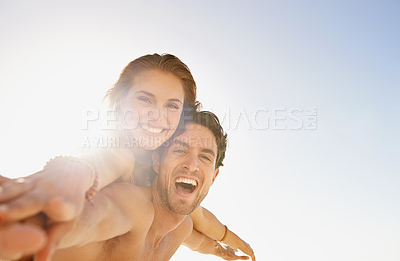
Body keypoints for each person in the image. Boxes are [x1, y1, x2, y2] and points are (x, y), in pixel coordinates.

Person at [0, 54, 254, 260]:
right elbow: (95, 166)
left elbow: (201, 223)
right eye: (145, 99)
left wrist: (226, 248)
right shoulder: (121, 157)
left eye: (172, 106)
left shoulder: (172, 200)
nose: (157, 115)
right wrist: (67, 176)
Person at [50, 111, 250, 260]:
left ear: (214, 176)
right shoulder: (133, 205)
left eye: (205, 156)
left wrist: (226, 251)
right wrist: (53, 223)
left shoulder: (181, 228)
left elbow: (202, 243)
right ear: (157, 161)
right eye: (180, 151)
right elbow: (98, 215)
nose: (192, 164)